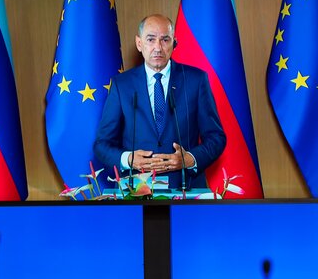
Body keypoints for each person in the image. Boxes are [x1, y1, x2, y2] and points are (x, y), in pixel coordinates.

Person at [94, 14, 226, 190]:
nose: (158, 47)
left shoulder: (196, 80)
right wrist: (128, 159)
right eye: (150, 39)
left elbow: (216, 138)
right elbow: (102, 145)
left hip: (186, 189)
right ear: (139, 43)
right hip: (136, 190)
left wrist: (190, 159)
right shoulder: (121, 85)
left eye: (165, 39)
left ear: (174, 43)